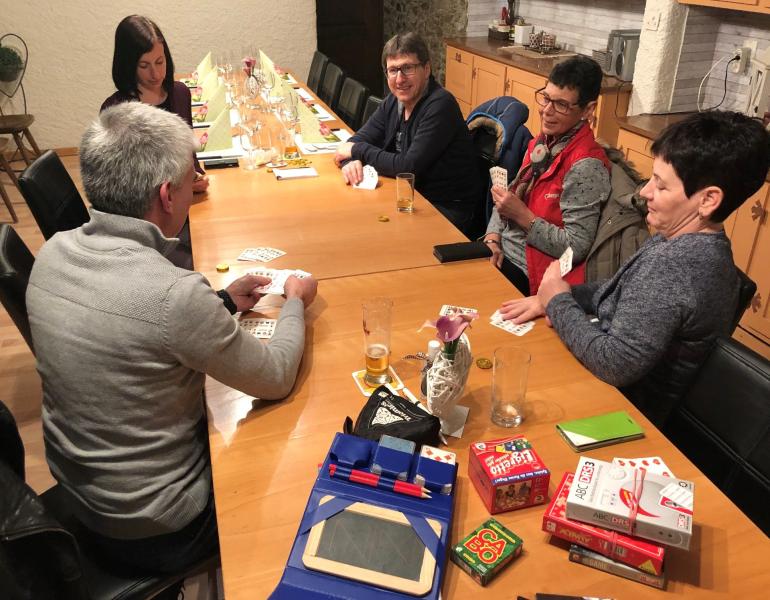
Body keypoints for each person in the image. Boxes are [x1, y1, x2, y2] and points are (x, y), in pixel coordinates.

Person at [26, 102, 318, 575]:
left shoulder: (52, 254)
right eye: (188, 180)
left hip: (80, 500)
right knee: (301, 457)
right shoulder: (174, 294)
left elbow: (131, 327)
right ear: (166, 195)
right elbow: (277, 376)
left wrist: (222, 301)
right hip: (156, 530)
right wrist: (296, 302)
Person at [498, 110, 770, 427]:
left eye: (661, 186)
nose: (644, 192)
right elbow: (617, 290)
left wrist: (558, 301)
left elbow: (614, 364)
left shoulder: (676, 266)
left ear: (708, 200)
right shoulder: (687, 241)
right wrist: (560, 296)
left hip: (627, 415)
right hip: (609, 389)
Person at [483, 56, 610, 295]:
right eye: (546, 98)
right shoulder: (542, 143)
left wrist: (524, 217)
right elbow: (507, 198)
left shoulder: (586, 166)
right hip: (501, 251)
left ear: (588, 109)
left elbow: (576, 247)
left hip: (531, 273)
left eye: (561, 104)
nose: (546, 111)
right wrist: (492, 238)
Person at [333, 32, 478, 237]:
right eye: (393, 70)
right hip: (411, 198)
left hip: (446, 209)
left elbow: (407, 167)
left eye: (408, 68)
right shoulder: (394, 101)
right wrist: (351, 161)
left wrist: (357, 151)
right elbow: (356, 141)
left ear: (426, 69)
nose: (400, 79)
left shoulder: (440, 105)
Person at [101, 15, 209, 194]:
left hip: (182, 202)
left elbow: (190, 159)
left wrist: (196, 176)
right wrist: (175, 188)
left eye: (160, 62)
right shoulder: (115, 110)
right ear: (128, 65)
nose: (156, 73)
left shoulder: (180, 94)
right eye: (144, 66)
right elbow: (121, 185)